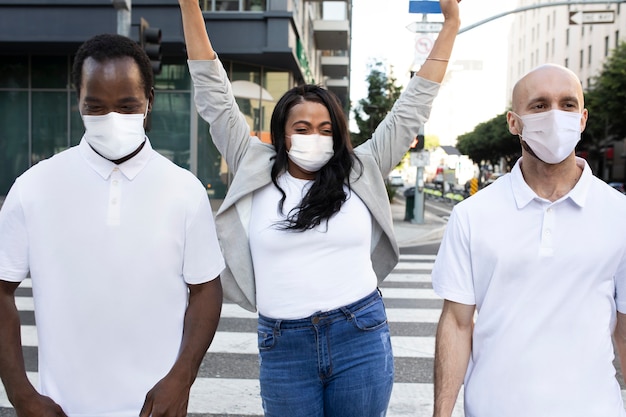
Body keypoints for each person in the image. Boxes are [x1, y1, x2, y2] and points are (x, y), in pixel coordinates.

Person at [178, 0, 460, 415]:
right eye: (303, 128)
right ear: (282, 134)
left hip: (359, 335)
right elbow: (212, 92)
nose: (315, 137)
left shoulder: (360, 168)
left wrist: (451, 24)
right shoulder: (251, 161)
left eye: (326, 129)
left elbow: (411, 108)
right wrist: (189, 6)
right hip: (282, 344)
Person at [0, 34, 225, 417]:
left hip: (157, 408)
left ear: (149, 102)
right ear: (79, 104)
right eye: (96, 107)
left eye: (126, 106)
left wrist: (181, 378)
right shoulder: (33, 188)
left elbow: (205, 289)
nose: (112, 119)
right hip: (64, 408)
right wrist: (21, 394)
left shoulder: (184, 190)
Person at [431, 63, 626, 417]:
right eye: (539, 105)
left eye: (567, 105)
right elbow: (457, 323)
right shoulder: (472, 215)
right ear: (513, 122)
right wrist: (441, 412)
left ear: (582, 119)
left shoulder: (620, 215)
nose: (555, 116)